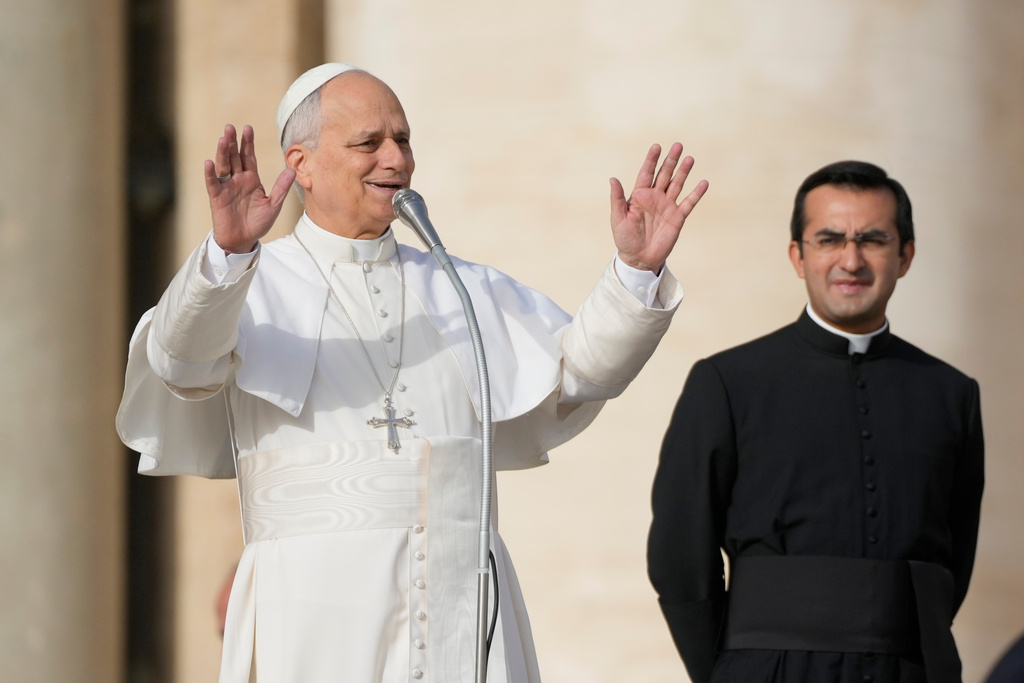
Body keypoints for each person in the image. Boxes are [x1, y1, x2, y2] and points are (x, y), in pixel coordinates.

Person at [117, 63, 708, 683]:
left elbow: (579, 374)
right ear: (303, 164)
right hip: (313, 603)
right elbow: (181, 363)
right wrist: (228, 254)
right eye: (369, 143)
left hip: (461, 585)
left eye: (403, 140)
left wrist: (635, 272)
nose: (396, 158)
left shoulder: (457, 283)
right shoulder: (246, 282)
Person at [647, 160, 984, 683]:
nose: (851, 260)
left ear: (906, 255)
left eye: (873, 239)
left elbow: (953, 560)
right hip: (766, 670)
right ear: (798, 257)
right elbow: (678, 557)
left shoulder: (952, 394)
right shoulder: (728, 382)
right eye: (829, 240)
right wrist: (727, 671)